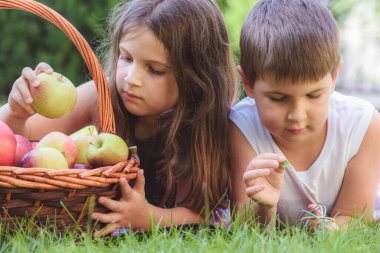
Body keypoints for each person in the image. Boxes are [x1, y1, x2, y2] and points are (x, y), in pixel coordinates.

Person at [0, 0, 237, 235]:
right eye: (126, 57)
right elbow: (17, 136)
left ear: (196, 79)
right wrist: (17, 112)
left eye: (155, 69)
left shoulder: (201, 125)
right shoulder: (103, 96)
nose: (131, 78)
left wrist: (148, 217)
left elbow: (200, 212)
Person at [229, 0, 380, 231]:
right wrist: (264, 208)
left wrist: (325, 229)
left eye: (314, 95)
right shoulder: (241, 126)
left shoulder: (362, 125)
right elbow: (247, 231)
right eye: (278, 98)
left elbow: (356, 217)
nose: (297, 116)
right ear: (248, 83)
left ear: (334, 76)